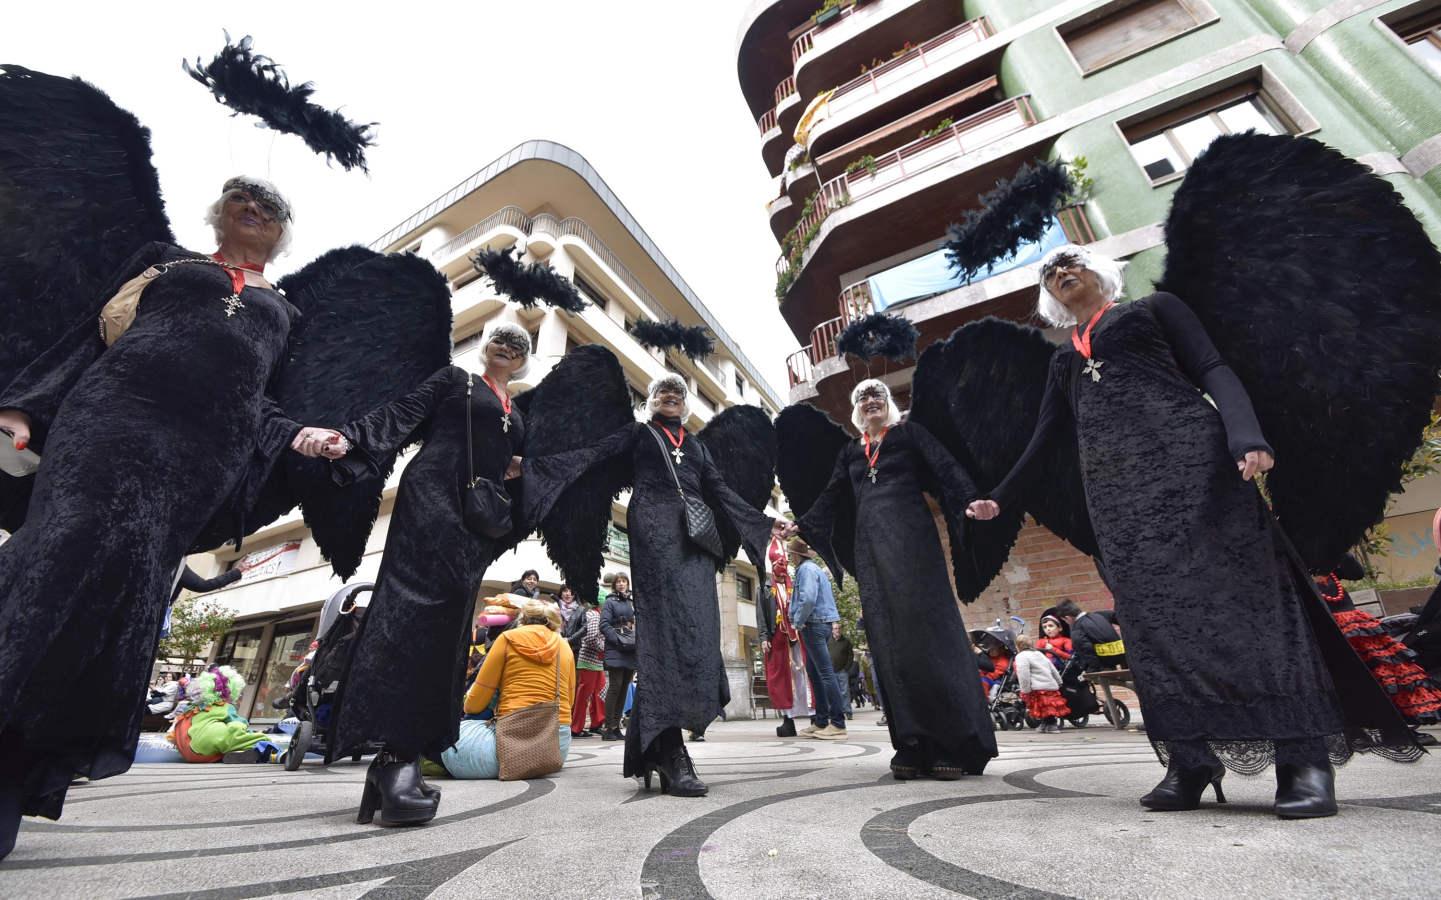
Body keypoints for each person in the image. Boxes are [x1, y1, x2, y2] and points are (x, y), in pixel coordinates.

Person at [967, 244, 1418, 818]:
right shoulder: (1063, 362)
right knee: (1158, 626)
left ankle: (1302, 760)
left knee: (1250, 606)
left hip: (1197, 471)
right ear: (1048, 296)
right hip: (1122, 505)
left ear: (1100, 271)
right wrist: (999, 499)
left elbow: (1212, 368)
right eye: (1050, 272)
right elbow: (1044, 439)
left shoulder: (1154, 310)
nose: (1061, 271)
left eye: (1071, 260)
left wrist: (1246, 437)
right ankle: (1190, 761)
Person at [0, 177, 337, 852]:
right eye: (242, 199)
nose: (253, 210)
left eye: (269, 207)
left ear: (282, 231)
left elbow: (266, 398)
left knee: (125, 591)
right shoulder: (167, 261)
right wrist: (25, 405)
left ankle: (19, 770)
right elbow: (87, 332)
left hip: (202, 457)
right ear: (219, 213)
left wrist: (303, 436)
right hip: (113, 413)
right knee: (58, 554)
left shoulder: (287, 312)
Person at [525, 374, 788, 796]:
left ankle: (651, 748)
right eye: (663, 391)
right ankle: (670, 751)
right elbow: (593, 455)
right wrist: (534, 467)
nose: (671, 396)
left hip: (695, 542)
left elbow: (719, 491)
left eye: (678, 392)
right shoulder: (639, 433)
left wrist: (765, 522)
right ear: (651, 400)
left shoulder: (697, 446)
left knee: (697, 636)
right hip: (654, 532)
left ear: (686, 404)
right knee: (664, 638)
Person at [314, 321, 531, 826]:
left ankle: (402, 754)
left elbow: (505, 460)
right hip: (432, 496)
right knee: (412, 612)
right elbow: (404, 413)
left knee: (451, 620)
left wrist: (516, 465)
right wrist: (350, 441)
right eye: (500, 337)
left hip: (478, 519)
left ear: (522, 362)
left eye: (519, 344)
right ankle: (396, 756)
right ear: (486, 346)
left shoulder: (515, 412)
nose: (507, 344)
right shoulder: (454, 380)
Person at [798, 379, 997, 780]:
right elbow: (831, 498)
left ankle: (948, 743)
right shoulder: (850, 451)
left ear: (888, 404)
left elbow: (945, 468)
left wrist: (969, 499)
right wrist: (798, 527)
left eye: (877, 396)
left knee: (927, 636)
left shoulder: (909, 433)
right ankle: (911, 743)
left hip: (913, 544)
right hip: (870, 552)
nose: (870, 401)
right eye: (863, 398)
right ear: (856, 411)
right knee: (889, 643)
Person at [437, 599, 576, 779]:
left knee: (447, 743)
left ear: (522, 620)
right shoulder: (564, 646)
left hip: (512, 741)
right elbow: (570, 701)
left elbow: (474, 704)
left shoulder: (508, 639)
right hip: (556, 746)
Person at [788, 539, 846, 740]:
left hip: (813, 625)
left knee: (825, 673)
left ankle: (838, 724)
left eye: (790, 554)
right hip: (820, 623)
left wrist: (797, 621)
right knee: (814, 672)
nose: (789, 558)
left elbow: (809, 599)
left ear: (796, 555)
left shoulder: (805, 570)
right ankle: (821, 721)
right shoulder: (814, 569)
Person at [756, 537, 812, 737]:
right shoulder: (764, 589)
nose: (782, 567)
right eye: (778, 564)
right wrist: (763, 637)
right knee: (782, 680)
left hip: (799, 637)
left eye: (784, 564)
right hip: (777, 640)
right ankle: (788, 721)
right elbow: (761, 616)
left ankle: (815, 717)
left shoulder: (795, 584)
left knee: (805, 673)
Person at [599, 574, 636, 742]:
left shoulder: (631, 601)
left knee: (624, 688)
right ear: (614, 585)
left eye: (624, 581)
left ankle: (616, 726)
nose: (621, 584)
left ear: (627, 584)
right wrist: (618, 640)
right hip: (616, 648)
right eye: (618, 582)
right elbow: (604, 625)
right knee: (615, 686)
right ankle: (608, 727)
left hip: (631, 648)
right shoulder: (609, 602)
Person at [1014, 634, 1069, 733]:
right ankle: (1045, 724)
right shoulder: (1039, 654)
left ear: (1017, 646)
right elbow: (1052, 668)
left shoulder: (1021, 656)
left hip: (1037, 687)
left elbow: (1023, 674)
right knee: (1048, 707)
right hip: (1050, 685)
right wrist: (1059, 681)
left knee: (1042, 706)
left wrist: (1025, 689)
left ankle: (1052, 725)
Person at [570, 595, 607, 739]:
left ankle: (597, 723)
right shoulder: (594, 615)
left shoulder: (595, 614)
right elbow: (591, 638)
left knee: (600, 691)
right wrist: (604, 648)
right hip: (590, 660)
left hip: (594, 660)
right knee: (584, 695)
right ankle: (576, 727)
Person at [1054, 599, 1125, 672]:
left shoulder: (1077, 630)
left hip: (1106, 661)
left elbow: (1087, 650)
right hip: (1123, 655)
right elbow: (1121, 617)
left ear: (1067, 617)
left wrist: (1094, 669)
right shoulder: (1100, 615)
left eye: (1065, 620)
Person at [828, 621, 855, 721]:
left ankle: (848, 712)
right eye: (835, 628)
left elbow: (850, 656)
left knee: (845, 692)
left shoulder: (846, 641)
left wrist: (846, 668)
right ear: (832, 630)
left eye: (839, 628)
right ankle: (834, 712)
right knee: (832, 693)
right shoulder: (828, 641)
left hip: (842, 671)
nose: (837, 630)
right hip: (830, 672)